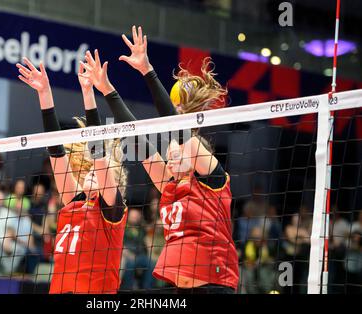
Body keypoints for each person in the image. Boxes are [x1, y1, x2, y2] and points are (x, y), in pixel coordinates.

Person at [81, 25, 238, 293]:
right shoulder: (169, 186)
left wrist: (147, 70)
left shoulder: (211, 176)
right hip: (181, 289)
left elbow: (179, 130)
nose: (171, 157)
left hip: (216, 286)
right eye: (169, 155)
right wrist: (106, 89)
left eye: (178, 153)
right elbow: (137, 141)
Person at [16, 57, 128, 294]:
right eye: (90, 169)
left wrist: (88, 93)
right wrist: (45, 94)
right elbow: (56, 152)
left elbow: (98, 151)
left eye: (98, 171)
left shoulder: (112, 209)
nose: (91, 171)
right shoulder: (74, 203)